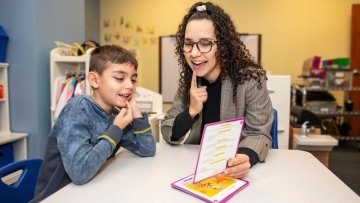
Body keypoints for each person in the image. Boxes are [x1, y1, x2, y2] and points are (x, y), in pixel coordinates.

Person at [161, 2, 273, 179]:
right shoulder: (189, 81)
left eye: (205, 43)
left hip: (231, 171)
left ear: (223, 45)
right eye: (188, 44)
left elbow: (258, 133)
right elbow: (168, 130)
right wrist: (191, 111)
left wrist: (245, 157)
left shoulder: (251, 78)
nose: (194, 53)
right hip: (192, 169)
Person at [31, 45, 156, 202]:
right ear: (94, 80)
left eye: (133, 79)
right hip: (57, 196)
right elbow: (79, 172)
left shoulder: (115, 115)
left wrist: (136, 112)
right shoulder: (77, 110)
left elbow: (147, 149)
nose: (130, 85)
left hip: (91, 192)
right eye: (119, 78)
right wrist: (116, 129)